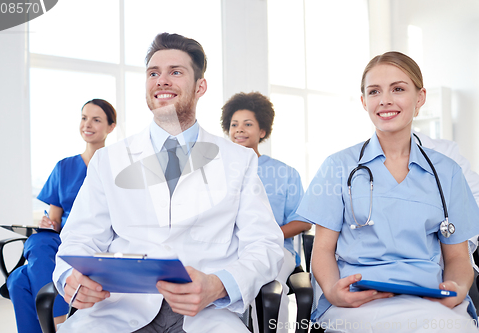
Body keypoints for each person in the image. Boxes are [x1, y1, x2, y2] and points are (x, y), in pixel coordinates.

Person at [52, 33, 284, 333]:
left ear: (200, 86)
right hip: (119, 308)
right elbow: (79, 237)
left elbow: (265, 244)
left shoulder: (239, 161)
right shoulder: (108, 161)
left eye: (175, 72)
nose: (161, 81)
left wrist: (219, 285)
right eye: (153, 73)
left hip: (205, 311)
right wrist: (72, 277)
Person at [296, 51, 479, 332]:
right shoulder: (338, 166)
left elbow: (457, 258)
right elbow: (322, 250)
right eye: (374, 91)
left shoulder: (447, 172)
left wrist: (456, 288)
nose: (385, 100)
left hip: (429, 300)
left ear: (420, 99)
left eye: (398, 89)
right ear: (363, 102)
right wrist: (333, 291)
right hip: (358, 301)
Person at [6, 99, 117, 333]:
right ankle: (59, 323)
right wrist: (48, 224)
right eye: (84, 117)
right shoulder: (63, 167)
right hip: (61, 241)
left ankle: (56, 323)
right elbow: (54, 221)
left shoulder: (116, 166)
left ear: (111, 127)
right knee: (39, 238)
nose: (87, 124)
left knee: (18, 280)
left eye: (96, 120)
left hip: (96, 243)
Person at [221, 91, 311, 330]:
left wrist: (267, 236)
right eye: (234, 125)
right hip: (231, 248)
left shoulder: (285, 173)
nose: (239, 129)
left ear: (262, 131)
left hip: (277, 249)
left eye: (247, 124)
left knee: (268, 284)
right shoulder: (218, 173)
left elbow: (303, 221)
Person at [412, 130, 479, 253]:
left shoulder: (445, 151)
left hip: (444, 259)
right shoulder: (365, 158)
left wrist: (457, 246)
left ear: (417, 109)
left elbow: (475, 196)